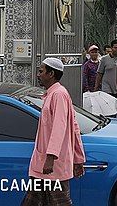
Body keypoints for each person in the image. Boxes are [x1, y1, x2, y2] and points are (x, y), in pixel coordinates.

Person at [22, 57, 85, 206]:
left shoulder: (58, 95)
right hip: (44, 164)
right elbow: (74, 127)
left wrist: (51, 158)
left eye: (41, 71)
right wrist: (78, 158)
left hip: (52, 166)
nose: (38, 75)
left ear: (51, 74)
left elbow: (60, 127)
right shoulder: (53, 94)